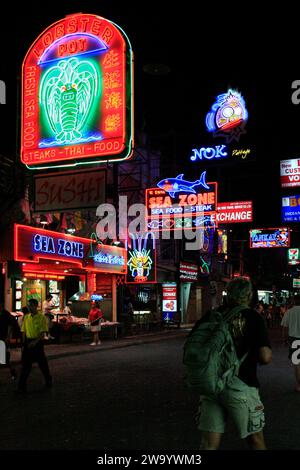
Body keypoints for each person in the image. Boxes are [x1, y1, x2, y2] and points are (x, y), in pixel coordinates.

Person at [196, 277, 272, 450]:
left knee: (208, 444)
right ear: (249, 295)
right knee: (256, 440)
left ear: (228, 294)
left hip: (210, 384)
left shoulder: (212, 315)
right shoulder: (253, 318)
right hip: (241, 385)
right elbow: (265, 357)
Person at [17, 298, 52, 393]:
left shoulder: (41, 317)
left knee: (42, 364)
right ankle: (21, 386)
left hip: (37, 343)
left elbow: (42, 333)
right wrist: (23, 344)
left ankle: (48, 380)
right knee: (25, 366)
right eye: (28, 305)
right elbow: (23, 331)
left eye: (31, 305)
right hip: (28, 342)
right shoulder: (26, 317)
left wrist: (35, 342)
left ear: (36, 306)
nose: (29, 307)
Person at [281, 295, 300, 391]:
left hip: (294, 340)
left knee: (297, 364)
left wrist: (284, 340)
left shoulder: (289, 312)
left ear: (294, 301)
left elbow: (284, 327)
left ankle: (299, 385)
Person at [0, 303, 19, 381]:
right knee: (3, 358)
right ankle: (12, 371)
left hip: (3, 338)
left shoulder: (6, 314)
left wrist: (8, 337)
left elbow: (10, 326)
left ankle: (12, 371)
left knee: (5, 358)